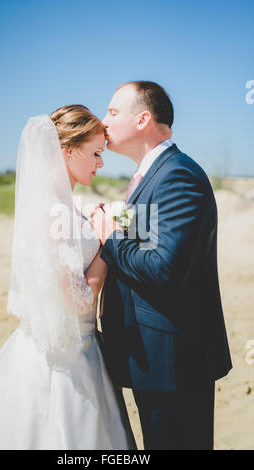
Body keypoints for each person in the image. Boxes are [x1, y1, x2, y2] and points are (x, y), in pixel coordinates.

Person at [0, 105, 137, 450]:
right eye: (96, 153)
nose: (101, 163)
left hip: (82, 347)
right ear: (67, 152)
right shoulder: (51, 211)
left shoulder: (65, 205)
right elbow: (79, 299)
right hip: (64, 359)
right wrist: (106, 248)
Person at [91, 81, 233, 450]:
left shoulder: (177, 176)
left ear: (143, 119)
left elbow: (164, 267)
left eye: (113, 112)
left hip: (173, 362)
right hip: (153, 358)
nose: (103, 121)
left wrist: (110, 237)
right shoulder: (150, 176)